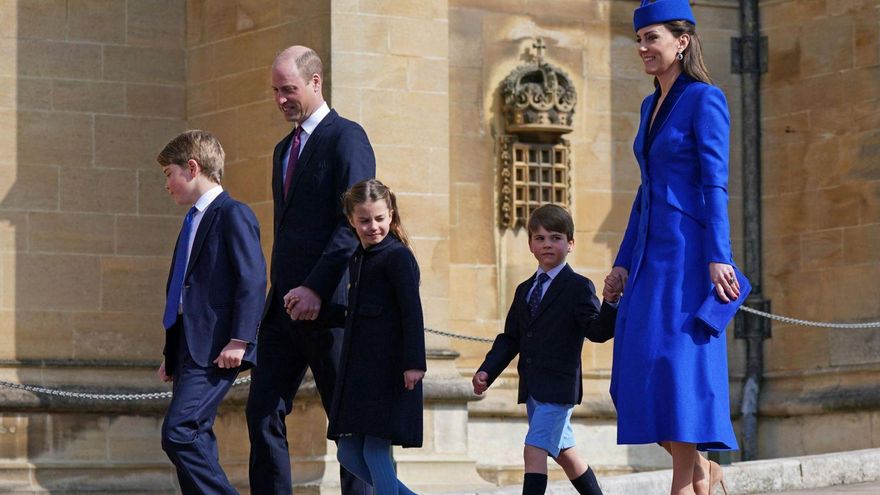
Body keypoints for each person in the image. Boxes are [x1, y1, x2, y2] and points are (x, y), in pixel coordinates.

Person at [603, 1, 746, 494]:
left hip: (690, 257)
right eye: (639, 39)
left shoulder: (705, 99)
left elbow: (715, 184)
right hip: (648, 257)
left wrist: (719, 254)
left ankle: (685, 484)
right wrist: (622, 263)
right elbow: (646, 191)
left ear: (682, 41)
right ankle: (707, 470)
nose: (642, 48)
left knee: (679, 375)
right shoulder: (649, 106)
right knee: (634, 377)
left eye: (653, 38)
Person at [245, 45, 376, 495]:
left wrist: (316, 287)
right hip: (283, 309)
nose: (281, 99)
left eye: (289, 89)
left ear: (315, 82)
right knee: (261, 411)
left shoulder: (347, 137)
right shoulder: (283, 149)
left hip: (333, 307)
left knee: (349, 424)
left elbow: (353, 222)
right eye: (275, 91)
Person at [472, 204, 617, 495]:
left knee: (533, 449)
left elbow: (597, 331)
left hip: (559, 389)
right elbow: (510, 338)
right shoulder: (525, 289)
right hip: (533, 388)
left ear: (570, 243)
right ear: (530, 245)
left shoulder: (578, 287)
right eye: (540, 238)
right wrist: (487, 370)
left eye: (555, 237)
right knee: (566, 454)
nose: (547, 244)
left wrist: (610, 303)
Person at [156, 130, 267, 494]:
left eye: (169, 173)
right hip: (189, 347)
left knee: (179, 432)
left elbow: (251, 279)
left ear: (192, 168)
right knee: (197, 434)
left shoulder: (232, 214)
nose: (168, 184)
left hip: (217, 346)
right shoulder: (192, 220)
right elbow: (184, 293)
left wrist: (240, 338)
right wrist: (170, 353)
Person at [323, 179, 426, 495]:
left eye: (380, 218)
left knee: (375, 450)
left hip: (389, 372)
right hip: (360, 374)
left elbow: (412, 312)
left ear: (391, 215)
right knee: (349, 453)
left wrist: (414, 363)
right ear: (351, 219)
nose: (373, 226)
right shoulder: (358, 258)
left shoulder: (398, 257)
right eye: (364, 220)